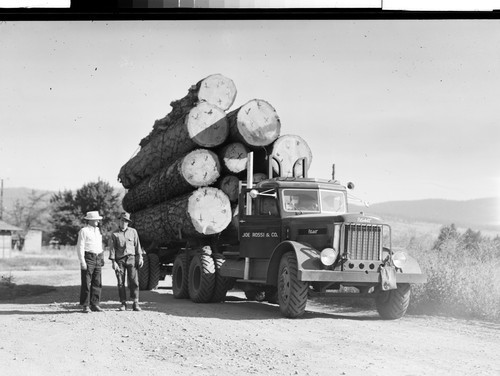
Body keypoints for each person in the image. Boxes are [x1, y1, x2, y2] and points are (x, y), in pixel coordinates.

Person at [110, 212, 144, 312]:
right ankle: (123, 303)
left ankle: (135, 302)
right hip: (120, 260)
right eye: (122, 220)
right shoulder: (114, 234)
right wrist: (113, 262)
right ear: (119, 221)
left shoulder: (133, 232)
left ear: (128, 222)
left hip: (131, 259)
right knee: (120, 282)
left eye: (126, 221)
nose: (124, 222)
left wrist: (140, 257)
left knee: (134, 281)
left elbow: (137, 245)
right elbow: (112, 249)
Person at [77, 211, 105, 313]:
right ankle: (85, 305)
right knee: (86, 282)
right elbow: (80, 246)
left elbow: (99, 245)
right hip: (88, 257)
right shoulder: (83, 231)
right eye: (96, 219)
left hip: (98, 256)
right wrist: (82, 261)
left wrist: (102, 257)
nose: (98, 221)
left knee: (97, 282)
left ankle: (95, 304)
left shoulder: (98, 230)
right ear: (90, 220)